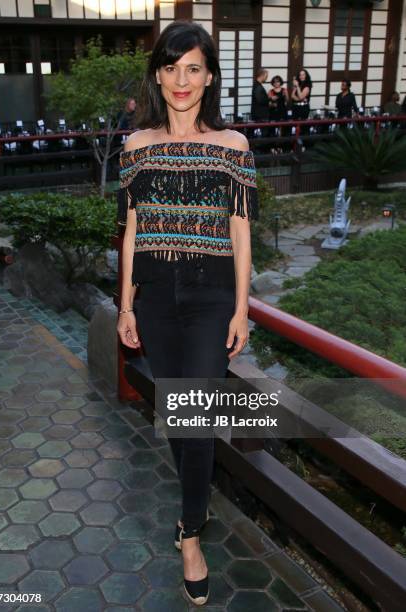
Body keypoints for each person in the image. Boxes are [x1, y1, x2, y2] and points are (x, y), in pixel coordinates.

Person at [116, 21, 258, 607]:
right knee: (179, 413)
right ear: (158, 74)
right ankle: (194, 513)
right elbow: (129, 231)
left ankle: (191, 533)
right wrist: (125, 302)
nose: (181, 79)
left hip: (209, 294)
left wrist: (242, 310)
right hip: (154, 293)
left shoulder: (234, 147)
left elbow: (242, 232)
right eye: (171, 67)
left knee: (196, 417)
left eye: (193, 67)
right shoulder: (135, 146)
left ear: (209, 76)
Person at [251, 67, 270, 137]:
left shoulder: (257, 85)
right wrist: (269, 99)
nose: (266, 78)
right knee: (262, 132)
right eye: (266, 76)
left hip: (259, 113)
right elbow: (260, 99)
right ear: (262, 75)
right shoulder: (257, 86)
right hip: (260, 114)